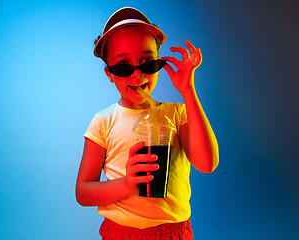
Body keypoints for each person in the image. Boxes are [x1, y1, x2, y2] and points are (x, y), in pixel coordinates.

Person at [76, 7, 219, 240]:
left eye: (147, 62)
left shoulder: (177, 113)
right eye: (123, 66)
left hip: (173, 232)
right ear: (109, 73)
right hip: (120, 232)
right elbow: (83, 192)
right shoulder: (103, 122)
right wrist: (128, 183)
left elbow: (207, 163)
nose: (137, 74)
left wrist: (188, 91)